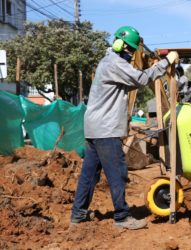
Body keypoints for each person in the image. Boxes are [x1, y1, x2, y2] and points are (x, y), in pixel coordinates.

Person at [70, 26, 179, 230]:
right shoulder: (115, 63)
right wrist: (166, 62)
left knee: (89, 174)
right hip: (106, 130)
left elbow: (133, 83)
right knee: (117, 172)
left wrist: (155, 66)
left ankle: (78, 213)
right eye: (130, 50)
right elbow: (141, 79)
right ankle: (122, 217)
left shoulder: (109, 62)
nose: (131, 54)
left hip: (95, 128)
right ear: (119, 45)